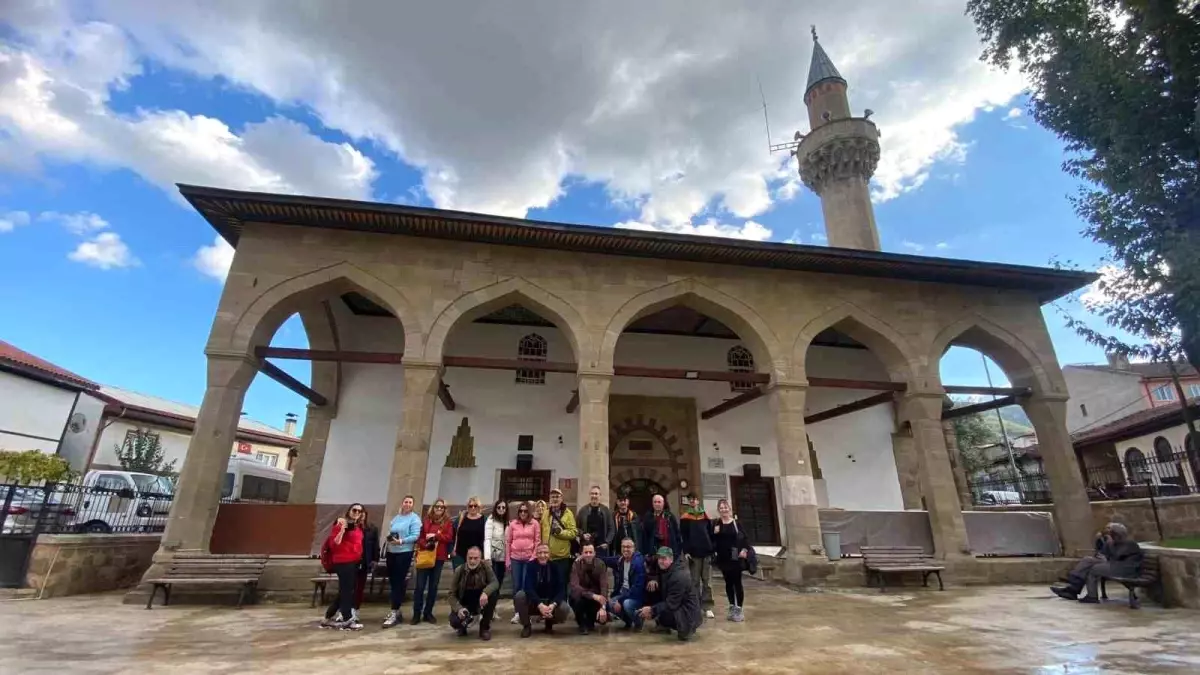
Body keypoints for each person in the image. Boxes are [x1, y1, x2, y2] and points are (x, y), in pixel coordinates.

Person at [1051, 522, 1144, 603]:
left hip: (1126, 569)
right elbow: (1101, 552)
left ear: (1117, 534)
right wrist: (1100, 541)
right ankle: (1073, 584)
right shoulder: (1113, 543)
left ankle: (1089, 595)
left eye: (1111, 533)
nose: (1109, 534)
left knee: (1094, 569)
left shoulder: (1129, 543)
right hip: (1115, 565)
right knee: (1087, 560)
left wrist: (1108, 552)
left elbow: (1117, 556)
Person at [638, 546, 701, 641]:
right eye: (659, 558)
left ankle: (687, 628)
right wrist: (653, 580)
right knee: (650, 590)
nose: (660, 561)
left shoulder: (679, 576)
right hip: (676, 603)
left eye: (664, 558)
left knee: (664, 613)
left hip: (688, 612)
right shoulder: (664, 568)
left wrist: (652, 610)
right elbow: (651, 571)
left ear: (671, 559)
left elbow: (671, 604)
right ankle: (664, 624)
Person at [319, 503, 365, 630]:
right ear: (349, 511)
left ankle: (328, 617)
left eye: (359, 511)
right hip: (343, 562)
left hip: (354, 562)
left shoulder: (358, 527)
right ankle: (347, 619)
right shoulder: (340, 524)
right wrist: (342, 529)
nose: (356, 513)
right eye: (354, 510)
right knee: (347, 591)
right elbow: (335, 543)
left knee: (345, 590)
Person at [410, 498, 453, 625]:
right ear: (433, 508)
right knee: (420, 586)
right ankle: (416, 613)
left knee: (433, 587)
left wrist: (436, 536)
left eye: (442, 507)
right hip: (425, 555)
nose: (439, 509)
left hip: (438, 557)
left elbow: (449, 538)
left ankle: (428, 612)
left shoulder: (448, 523)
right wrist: (425, 544)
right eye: (437, 506)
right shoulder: (426, 521)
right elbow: (420, 537)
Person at [382, 495, 422, 628]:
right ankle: (396, 610)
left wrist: (401, 541)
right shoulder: (397, 517)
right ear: (402, 503)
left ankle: (395, 610)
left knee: (399, 581)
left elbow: (415, 536)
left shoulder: (414, 519)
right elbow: (391, 530)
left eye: (410, 502)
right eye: (406, 502)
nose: (408, 504)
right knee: (393, 581)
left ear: (413, 505)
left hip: (404, 552)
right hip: (391, 551)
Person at [514, 543, 569, 638]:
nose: (543, 555)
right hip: (535, 603)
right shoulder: (531, 566)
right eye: (540, 553)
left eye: (545, 553)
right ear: (536, 554)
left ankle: (549, 623)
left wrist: (553, 604)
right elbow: (528, 587)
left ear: (549, 554)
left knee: (564, 608)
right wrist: (540, 605)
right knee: (519, 596)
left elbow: (561, 589)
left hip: (550, 602)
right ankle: (527, 626)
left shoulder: (555, 567)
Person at [448, 546, 500, 641]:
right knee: (454, 621)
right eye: (470, 558)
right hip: (465, 601)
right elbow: (451, 594)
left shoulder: (486, 567)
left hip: (480, 600)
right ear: (466, 558)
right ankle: (461, 627)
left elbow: (495, 583)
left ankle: (484, 628)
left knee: (493, 594)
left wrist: (485, 592)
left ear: (480, 558)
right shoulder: (459, 570)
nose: (472, 561)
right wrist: (459, 609)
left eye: (476, 558)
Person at [711, 498, 751, 622]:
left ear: (729, 508)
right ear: (719, 510)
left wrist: (744, 550)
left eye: (725, 507)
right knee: (728, 583)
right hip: (723, 557)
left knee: (737, 582)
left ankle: (739, 608)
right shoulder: (716, 524)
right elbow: (712, 540)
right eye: (721, 508)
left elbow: (745, 539)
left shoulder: (736, 523)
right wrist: (714, 534)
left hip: (735, 557)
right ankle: (731, 606)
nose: (724, 509)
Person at [679, 492, 715, 618]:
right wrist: (686, 551)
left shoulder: (705, 516)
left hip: (706, 552)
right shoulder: (685, 517)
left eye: (694, 499)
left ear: (698, 501)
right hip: (693, 554)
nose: (693, 501)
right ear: (688, 502)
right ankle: (695, 606)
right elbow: (684, 536)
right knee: (694, 582)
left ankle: (707, 607)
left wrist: (712, 549)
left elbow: (710, 533)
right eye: (690, 500)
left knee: (707, 581)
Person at [505, 500, 541, 624]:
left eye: (526, 511)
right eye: (521, 511)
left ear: (529, 512)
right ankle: (517, 612)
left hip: (529, 559)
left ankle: (527, 613)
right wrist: (508, 560)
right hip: (515, 559)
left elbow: (537, 541)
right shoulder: (513, 524)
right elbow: (508, 542)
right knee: (516, 586)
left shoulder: (535, 523)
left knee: (527, 586)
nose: (523, 513)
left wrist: (533, 557)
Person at [602, 537, 646, 630]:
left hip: (636, 596)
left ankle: (638, 621)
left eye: (628, 547)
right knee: (609, 604)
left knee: (627, 604)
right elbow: (605, 559)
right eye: (623, 547)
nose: (625, 549)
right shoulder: (620, 560)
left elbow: (637, 589)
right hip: (624, 592)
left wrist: (620, 600)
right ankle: (628, 621)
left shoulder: (637, 563)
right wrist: (590, 555)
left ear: (634, 548)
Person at [541, 488, 577, 596]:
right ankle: (550, 609)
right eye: (552, 497)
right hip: (547, 557)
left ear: (562, 498)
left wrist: (560, 533)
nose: (555, 499)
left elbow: (573, 532)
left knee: (561, 585)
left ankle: (562, 609)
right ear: (549, 499)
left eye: (557, 496)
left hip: (562, 557)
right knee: (549, 585)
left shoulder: (568, 513)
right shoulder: (546, 513)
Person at [569, 542, 611, 635]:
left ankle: (591, 619)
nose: (588, 554)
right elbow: (575, 586)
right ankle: (582, 623)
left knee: (603, 620)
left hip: (596, 597)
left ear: (595, 553)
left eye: (590, 552)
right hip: (582, 596)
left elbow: (604, 586)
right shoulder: (576, 564)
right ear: (582, 554)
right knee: (575, 597)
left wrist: (603, 607)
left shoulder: (600, 564)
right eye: (586, 552)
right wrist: (592, 595)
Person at [351, 507, 381, 624]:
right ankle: (344, 610)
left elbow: (375, 546)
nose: (360, 514)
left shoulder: (371, 529)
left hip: (363, 562)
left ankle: (355, 610)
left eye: (362, 512)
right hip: (350, 561)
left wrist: (375, 559)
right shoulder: (350, 527)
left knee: (359, 588)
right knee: (348, 587)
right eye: (357, 512)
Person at [483, 499, 508, 620]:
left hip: (503, 558)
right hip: (493, 557)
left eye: (504, 508)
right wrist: (487, 557)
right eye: (499, 507)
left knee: (498, 585)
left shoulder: (507, 522)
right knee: (492, 585)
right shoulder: (491, 520)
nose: (501, 510)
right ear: (495, 508)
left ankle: (493, 609)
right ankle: (487, 610)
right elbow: (487, 539)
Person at [639, 494, 681, 559]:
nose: (657, 504)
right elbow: (644, 536)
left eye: (659, 502)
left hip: (669, 552)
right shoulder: (647, 517)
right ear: (652, 503)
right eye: (655, 502)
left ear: (663, 503)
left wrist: (677, 551)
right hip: (653, 553)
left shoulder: (670, 516)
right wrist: (645, 552)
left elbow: (677, 534)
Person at [576, 485, 615, 556]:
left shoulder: (605, 510)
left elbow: (611, 528)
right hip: (587, 548)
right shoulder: (583, 510)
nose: (594, 496)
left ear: (600, 495)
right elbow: (576, 528)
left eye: (596, 494)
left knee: (601, 566)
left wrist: (607, 542)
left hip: (601, 547)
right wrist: (582, 535)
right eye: (592, 493)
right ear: (589, 495)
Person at [452, 496, 486, 571]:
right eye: (470, 506)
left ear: (479, 507)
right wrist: (453, 549)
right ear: (467, 507)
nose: (473, 508)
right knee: (459, 578)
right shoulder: (461, 518)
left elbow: (486, 538)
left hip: (476, 555)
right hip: (460, 553)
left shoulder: (484, 519)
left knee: (474, 579)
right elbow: (453, 533)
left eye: (475, 506)